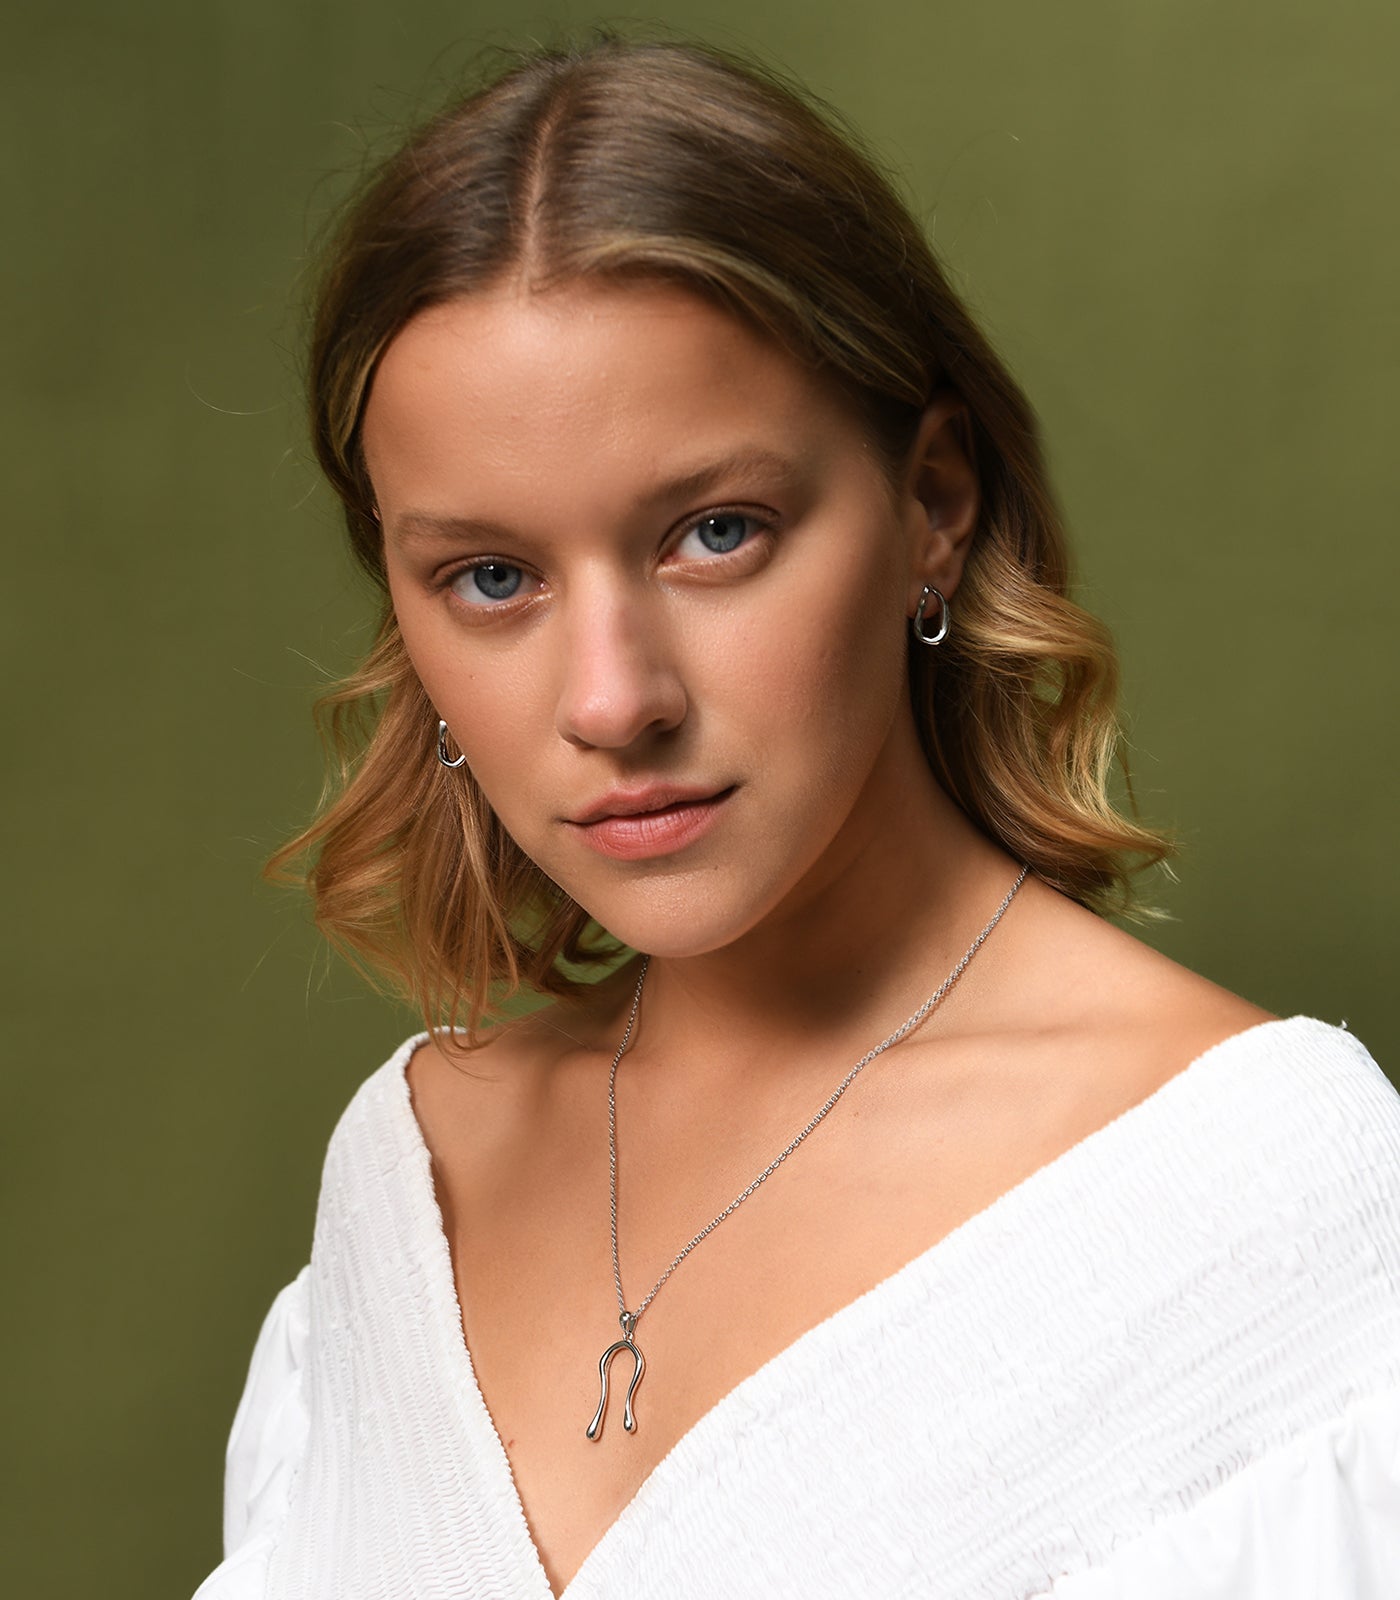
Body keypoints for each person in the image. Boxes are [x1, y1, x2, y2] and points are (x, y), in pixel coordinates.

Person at [194, 34, 1400, 1600]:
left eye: (713, 533)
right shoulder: (408, 1178)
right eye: (492, 577)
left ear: (934, 507)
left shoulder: (1278, 1211)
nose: (614, 700)